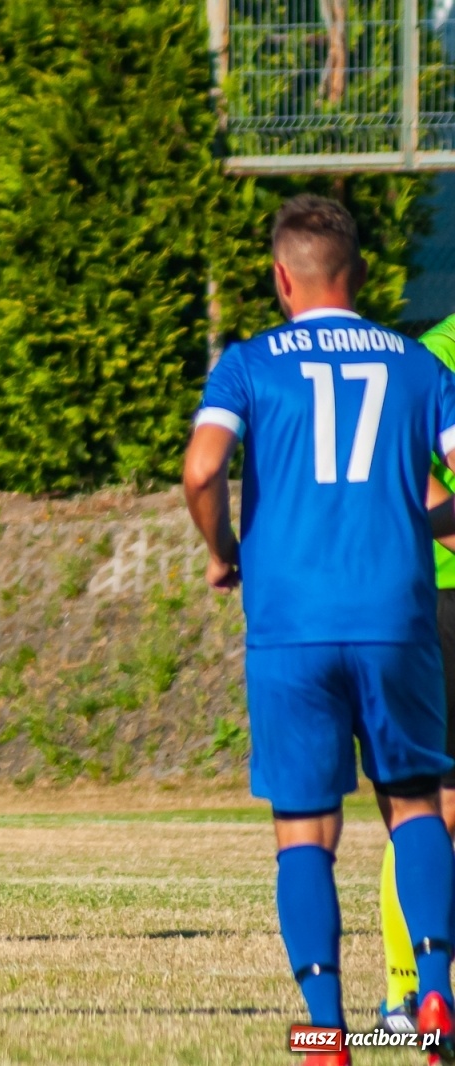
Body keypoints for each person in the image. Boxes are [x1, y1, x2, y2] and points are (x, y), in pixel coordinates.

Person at [183, 194, 455, 1066]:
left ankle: (323, 1031)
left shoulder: (247, 364)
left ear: (279, 278)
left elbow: (202, 468)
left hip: (292, 622)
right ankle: (439, 1000)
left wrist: (224, 550)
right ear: (361, 275)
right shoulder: (417, 365)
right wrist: (423, 528)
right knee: (415, 803)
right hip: (398, 615)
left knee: (305, 828)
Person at [378, 311, 455, 1035]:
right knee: (432, 805)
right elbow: (406, 478)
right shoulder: (435, 356)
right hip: (441, 598)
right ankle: (408, 993)